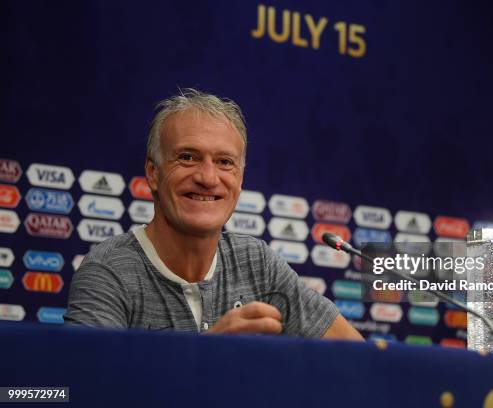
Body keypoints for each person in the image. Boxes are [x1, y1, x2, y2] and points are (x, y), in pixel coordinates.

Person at [65, 88, 363, 340]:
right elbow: (87, 388)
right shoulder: (108, 271)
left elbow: (357, 356)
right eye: (187, 157)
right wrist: (206, 356)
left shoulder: (255, 262)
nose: (208, 178)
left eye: (224, 162)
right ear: (153, 173)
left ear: (241, 180)